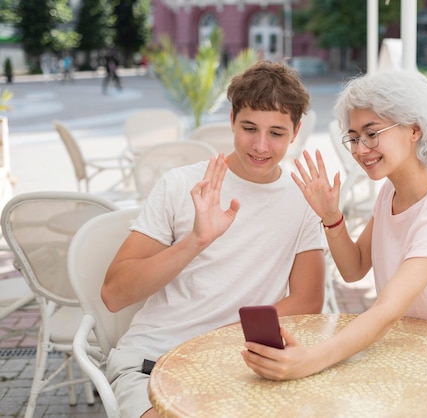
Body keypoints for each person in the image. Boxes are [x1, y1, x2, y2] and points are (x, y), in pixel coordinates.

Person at [101, 60, 326, 417]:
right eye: (249, 127)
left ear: (296, 132)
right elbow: (114, 295)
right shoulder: (181, 184)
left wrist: (218, 342)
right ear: (232, 119)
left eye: (277, 133)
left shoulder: (303, 200)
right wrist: (195, 241)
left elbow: (308, 300)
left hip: (240, 366)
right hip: (154, 360)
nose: (261, 145)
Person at [241, 69, 427, 381]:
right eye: (354, 137)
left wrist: (310, 359)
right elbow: (354, 268)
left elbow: (387, 311)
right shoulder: (392, 190)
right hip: (417, 353)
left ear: (414, 129)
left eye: (372, 133)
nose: (361, 149)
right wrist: (331, 216)